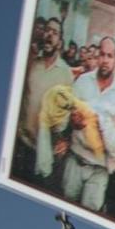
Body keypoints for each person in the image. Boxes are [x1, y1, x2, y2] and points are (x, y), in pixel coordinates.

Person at [66, 35, 115, 214]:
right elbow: (67, 115)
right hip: (75, 160)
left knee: (89, 217)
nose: (105, 60)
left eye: (110, 56)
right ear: (97, 56)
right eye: (102, 54)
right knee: (64, 212)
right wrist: (74, 122)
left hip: (99, 169)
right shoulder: (82, 82)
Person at [16, 16, 74, 186]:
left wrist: (64, 140)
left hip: (42, 151)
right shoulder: (32, 64)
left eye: (54, 32)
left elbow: (67, 114)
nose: (49, 35)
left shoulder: (65, 74)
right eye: (47, 30)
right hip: (21, 143)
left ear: (60, 41)